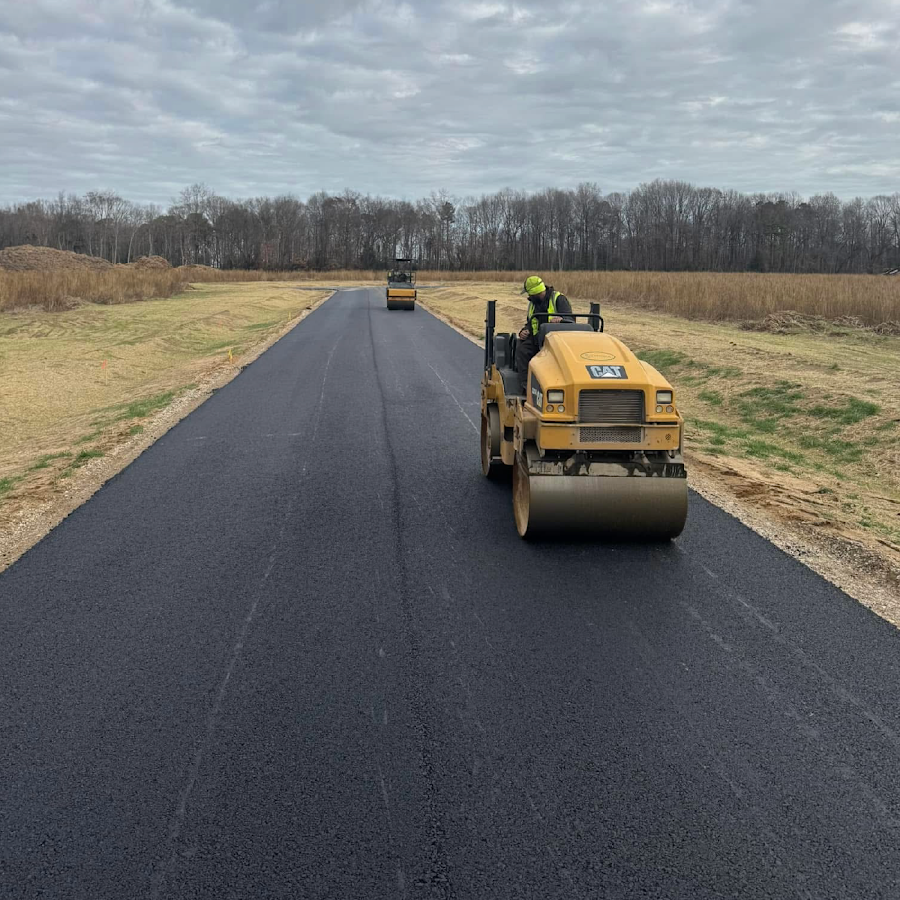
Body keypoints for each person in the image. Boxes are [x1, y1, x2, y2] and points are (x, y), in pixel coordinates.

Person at [515, 276, 573, 394]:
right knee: (522, 349)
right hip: (537, 339)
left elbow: (570, 320)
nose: (529, 297)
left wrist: (561, 320)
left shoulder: (559, 299)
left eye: (530, 294)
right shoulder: (533, 304)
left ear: (535, 292)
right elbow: (530, 323)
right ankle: (526, 386)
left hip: (557, 341)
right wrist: (525, 331)